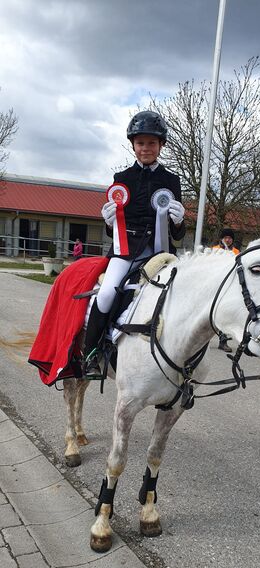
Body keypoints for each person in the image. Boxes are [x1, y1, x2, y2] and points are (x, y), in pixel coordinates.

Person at [83, 110, 186, 377]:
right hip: (126, 249)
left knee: (182, 296)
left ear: (161, 145)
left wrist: (178, 221)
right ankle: (91, 353)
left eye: (152, 143)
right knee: (106, 293)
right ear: (133, 145)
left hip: (161, 253)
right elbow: (112, 230)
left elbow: (178, 235)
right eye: (140, 143)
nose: (146, 148)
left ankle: (183, 362)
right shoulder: (122, 179)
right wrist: (108, 221)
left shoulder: (171, 181)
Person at [213, 227, 240, 352]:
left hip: (228, 286)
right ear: (221, 239)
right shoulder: (214, 250)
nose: (228, 240)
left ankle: (223, 341)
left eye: (230, 238)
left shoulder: (236, 252)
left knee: (225, 313)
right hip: (215, 285)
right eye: (226, 238)